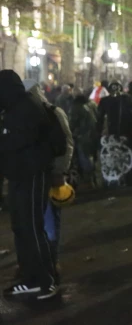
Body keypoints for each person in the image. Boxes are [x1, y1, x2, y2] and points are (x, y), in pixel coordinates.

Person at [0, 70, 60, 300]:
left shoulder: (25, 109)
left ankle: (45, 281)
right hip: (20, 176)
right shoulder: (16, 108)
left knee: (31, 228)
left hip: (31, 175)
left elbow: (15, 142)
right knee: (21, 228)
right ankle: (31, 278)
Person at [24, 80, 74, 268]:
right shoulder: (48, 113)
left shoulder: (51, 113)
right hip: (35, 176)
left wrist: (59, 171)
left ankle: (50, 261)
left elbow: (66, 145)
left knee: (49, 221)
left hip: (48, 175)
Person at [96, 81, 132, 186]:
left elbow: (99, 119)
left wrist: (99, 133)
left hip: (109, 137)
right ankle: (130, 181)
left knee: (111, 158)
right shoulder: (128, 100)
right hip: (126, 135)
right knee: (127, 158)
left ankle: (111, 181)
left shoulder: (105, 101)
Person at [70, 87, 99, 186]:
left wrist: (71, 133)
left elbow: (72, 123)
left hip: (82, 137)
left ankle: (88, 182)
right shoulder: (91, 104)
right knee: (91, 157)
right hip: (93, 136)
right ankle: (93, 179)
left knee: (83, 158)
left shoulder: (76, 107)